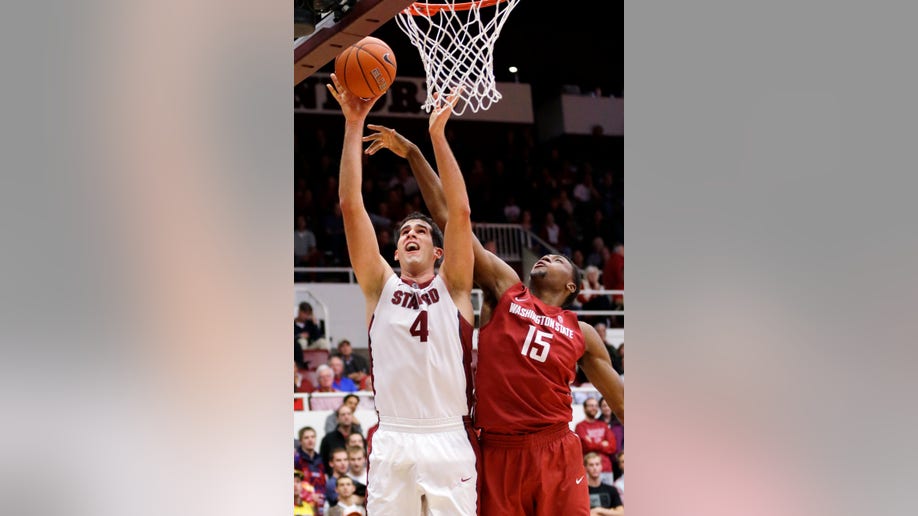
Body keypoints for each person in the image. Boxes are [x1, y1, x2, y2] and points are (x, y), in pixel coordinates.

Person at [364, 123, 625, 516]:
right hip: (498, 448)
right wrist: (417, 155)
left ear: (572, 287)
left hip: (555, 445)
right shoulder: (506, 290)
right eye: (545, 255)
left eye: (557, 260)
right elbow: (453, 219)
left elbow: (622, 401)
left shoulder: (582, 332)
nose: (545, 258)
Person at [326, 75, 479, 516]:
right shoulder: (380, 285)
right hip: (394, 435)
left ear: (439, 250)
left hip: (448, 434)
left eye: (422, 231)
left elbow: (461, 212)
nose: (412, 233)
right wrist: (354, 123)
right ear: (395, 251)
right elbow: (350, 204)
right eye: (405, 232)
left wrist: (434, 135)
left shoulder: (454, 287)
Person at [575, 398, 617, 485]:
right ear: (584, 408)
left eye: (595, 406)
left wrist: (592, 443)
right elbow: (587, 446)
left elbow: (612, 447)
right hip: (588, 470)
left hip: (606, 469)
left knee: (608, 497)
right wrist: (602, 444)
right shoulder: (580, 426)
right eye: (591, 406)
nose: (594, 408)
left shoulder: (603, 425)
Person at [320, 405, 357, 469]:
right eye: (343, 414)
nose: (346, 417)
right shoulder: (328, 439)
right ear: (337, 419)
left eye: (349, 414)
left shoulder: (358, 437)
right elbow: (323, 461)